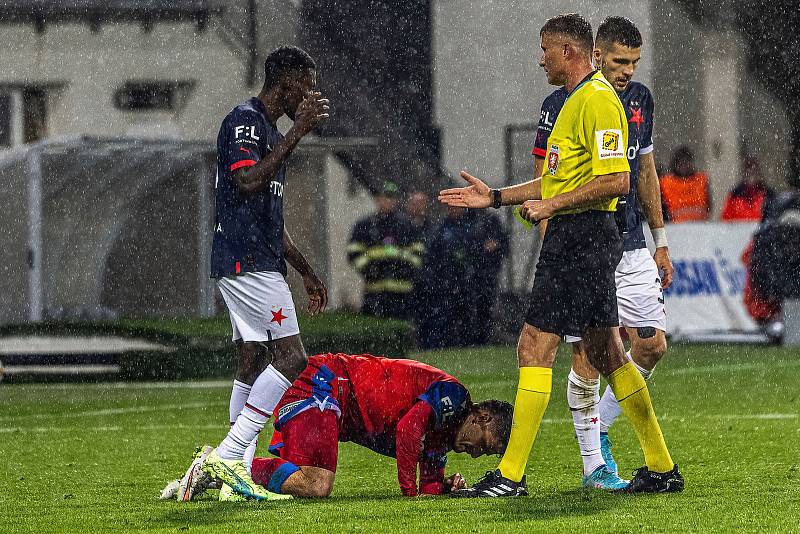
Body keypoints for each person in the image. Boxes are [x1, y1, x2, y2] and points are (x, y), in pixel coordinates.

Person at [439, 13, 682, 496]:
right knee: (608, 351)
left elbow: (618, 179)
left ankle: (509, 477)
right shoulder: (574, 102)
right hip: (585, 237)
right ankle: (660, 467)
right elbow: (556, 180)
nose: (540, 58)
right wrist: (496, 197)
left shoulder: (596, 100)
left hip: (582, 238)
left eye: (545, 49)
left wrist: (552, 206)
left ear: (569, 51)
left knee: (534, 345)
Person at [531, 16, 675, 490]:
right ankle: (596, 462)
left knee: (649, 345)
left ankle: (607, 428)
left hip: (629, 242)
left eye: (634, 62)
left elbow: (644, 172)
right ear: (596, 56)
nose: (628, 70)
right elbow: (548, 182)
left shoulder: (638, 102)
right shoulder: (562, 104)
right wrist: (553, 241)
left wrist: (661, 241)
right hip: (587, 244)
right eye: (619, 61)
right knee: (590, 353)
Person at [184, 45, 331, 502]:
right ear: (286, 83)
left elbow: (270, 219)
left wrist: (306, 271)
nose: (310, 97)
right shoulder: (247, 122)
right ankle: (228, 455)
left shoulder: (267, 129)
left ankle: (236, 475)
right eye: (306, 86)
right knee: (291, 359)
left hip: (254, 257)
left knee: (252, 358)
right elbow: (247, 181)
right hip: (246, 260)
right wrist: (299, 133)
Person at [166, 353, 513, 499]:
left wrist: (443, 489)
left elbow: (429, 486)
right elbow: (408, 431)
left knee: (306, 481)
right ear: (482, 417)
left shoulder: (442, 438)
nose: (478, 455)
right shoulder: (454, 396)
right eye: (487, 444)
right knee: (317, 485)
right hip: (325, 383)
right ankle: (218, 465)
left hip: (329, 400)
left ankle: (215, 468)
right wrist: (410, 495)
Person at [347, 182, 425, 319]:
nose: (389, 201)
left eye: (392, 198)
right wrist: (372, 268)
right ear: (377, 199)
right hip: (374, 295)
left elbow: (418, 257)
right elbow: (354, 254)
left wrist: (399, 263)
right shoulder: (365, 226)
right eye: (385, 197)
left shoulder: (407, 226)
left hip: (402, 297)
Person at [659, 145, 711, 222]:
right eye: (681, 163)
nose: (684, 167)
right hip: (674, 228)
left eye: (686, 163)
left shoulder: (701, 180)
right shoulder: (665, 182)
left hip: (699, 227)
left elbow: (709, 205)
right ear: (675, 165)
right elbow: (662, 210)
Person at [721, 156, 774, 221]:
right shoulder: (735, 194)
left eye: (754, 172)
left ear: (759, 174)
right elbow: (726, 218)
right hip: (738, 230)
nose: (752, 176)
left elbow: (773, 218)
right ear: (744, 174)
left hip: (761, 230)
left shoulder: (768, 194)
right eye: (749, 172)